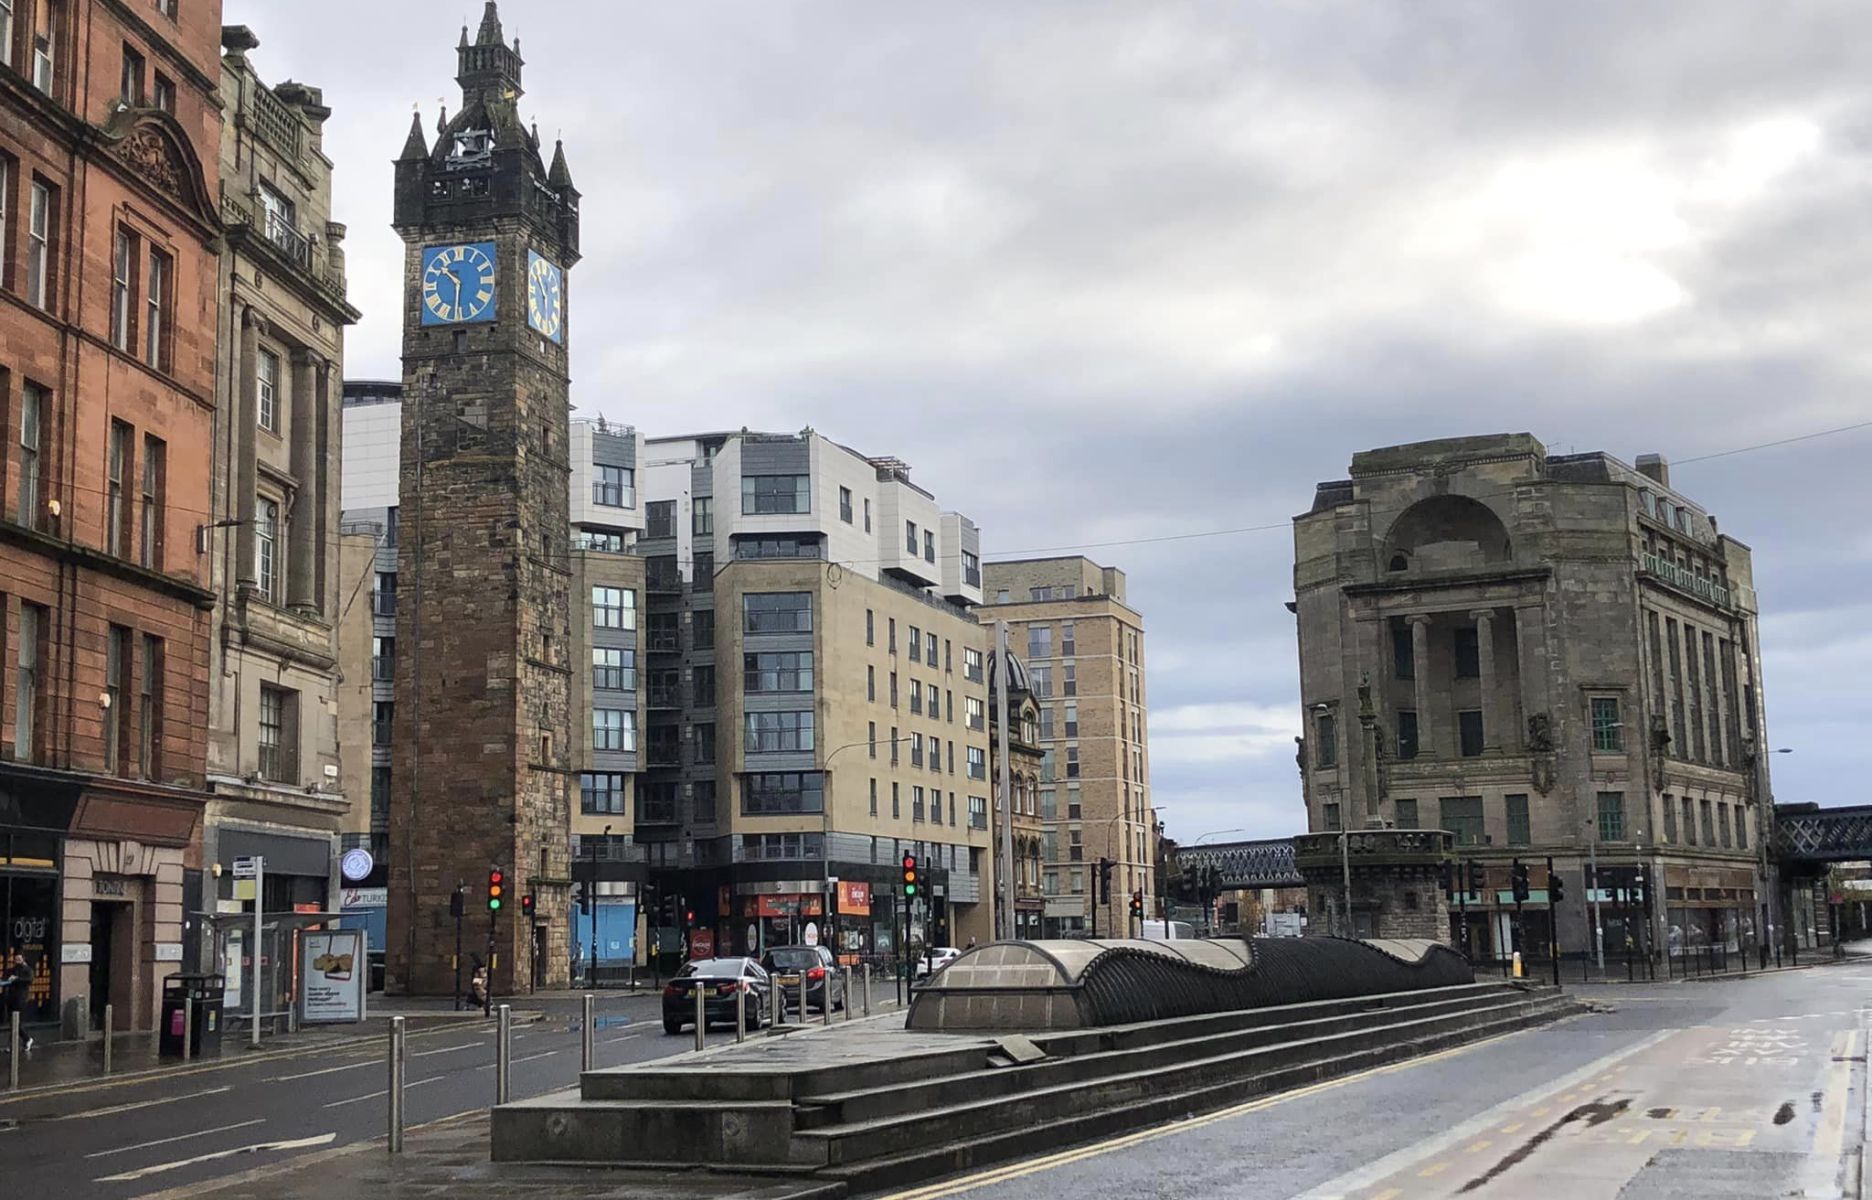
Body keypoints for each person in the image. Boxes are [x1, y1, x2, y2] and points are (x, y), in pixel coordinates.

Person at [6, 951, 33, 1051]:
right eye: (16, 959)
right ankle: (13, 1044)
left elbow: (29, 979)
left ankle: (27, 1038)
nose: (17, 961)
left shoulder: (27, 970)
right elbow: (6, 978)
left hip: (20, 999)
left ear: (23, 959)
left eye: (19, 959)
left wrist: (16, 978)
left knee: (17, 1022)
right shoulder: (12, 969)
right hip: (11, 998)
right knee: (12, 1022)